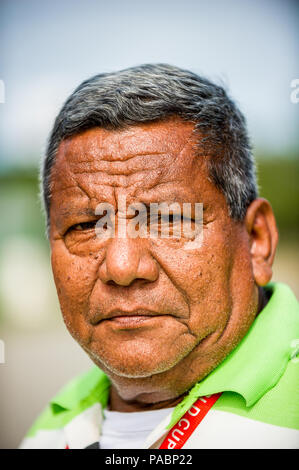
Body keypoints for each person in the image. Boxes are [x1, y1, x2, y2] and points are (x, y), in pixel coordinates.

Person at [20, 64, 299, 449]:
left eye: (168, 219)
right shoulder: (48, 429)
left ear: (257, 240)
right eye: (85, 226)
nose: (121, 267)